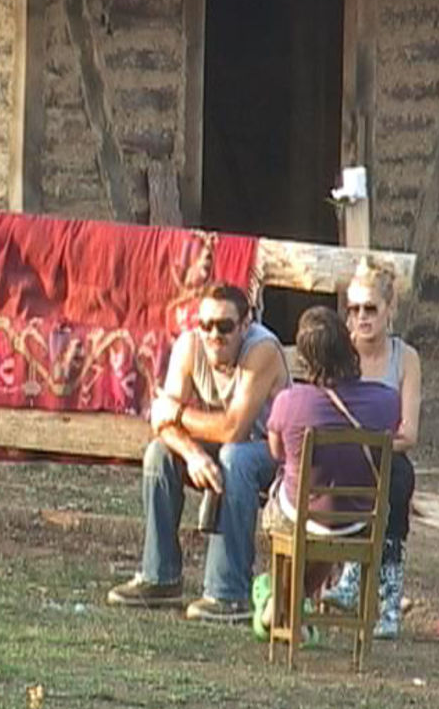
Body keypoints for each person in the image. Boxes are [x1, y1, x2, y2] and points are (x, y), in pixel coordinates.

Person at [106, 282, 290, 622]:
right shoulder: (189, 346)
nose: (213, 335)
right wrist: (192, 453)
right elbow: (162, 426)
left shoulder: (262, 351)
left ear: (246, 324)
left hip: (272, 451)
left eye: (225, 326)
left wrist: (176, 414)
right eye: (205, 324)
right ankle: (159, 577)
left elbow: (233, 427)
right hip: (221, 446)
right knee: (160, 453)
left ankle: (229, 592)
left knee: (235, 458)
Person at [256, 305, 400, 636]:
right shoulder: (387, 401)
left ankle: (282, 602)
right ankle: (293, 603)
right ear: (348, 346)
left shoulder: (289, 402)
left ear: (304, 357)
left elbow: (276, 453)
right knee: (326, 519)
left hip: (301, 514)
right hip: (360, 520)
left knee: (294, 514)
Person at [320, 258, 422, 639]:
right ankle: (348, 577)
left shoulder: (405, 358)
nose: (362, 318)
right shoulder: (340, 353)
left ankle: (388, 599)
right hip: (341, 456)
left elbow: (408, 433)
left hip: (386, 457)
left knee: (399, 478)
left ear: (390, 310)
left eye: (371, 309)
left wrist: (373, 443)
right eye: (354, 309)